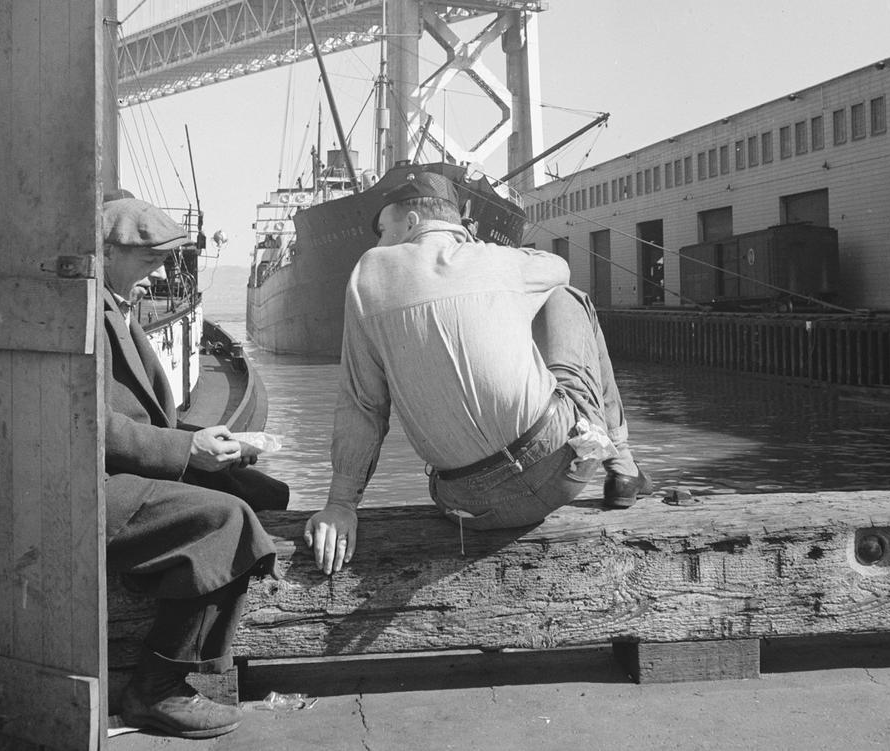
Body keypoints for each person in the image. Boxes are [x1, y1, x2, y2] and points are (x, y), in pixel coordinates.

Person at [303, 172, 650, 575]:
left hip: (463, 505)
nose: (378, 243)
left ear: (412, 223)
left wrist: (341, 504)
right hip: (562, 470)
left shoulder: (367, 275)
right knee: (568, 300)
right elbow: (560, 270)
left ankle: (619, 465)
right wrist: (477, 251)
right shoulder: (497, 259)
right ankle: (623, 468)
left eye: (383, 231)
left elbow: (363, 404)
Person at [101, 192, 290, 739]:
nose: (157, 271)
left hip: (124, 468)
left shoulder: (115, 301)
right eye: (147, 259)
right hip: (96, 486)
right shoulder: (85, 313)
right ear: (106, 251)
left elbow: (140, 416)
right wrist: (187, 452)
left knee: (264, 493)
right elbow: (89, 424)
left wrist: (210, 442)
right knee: (224, 520)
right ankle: (155, 690)